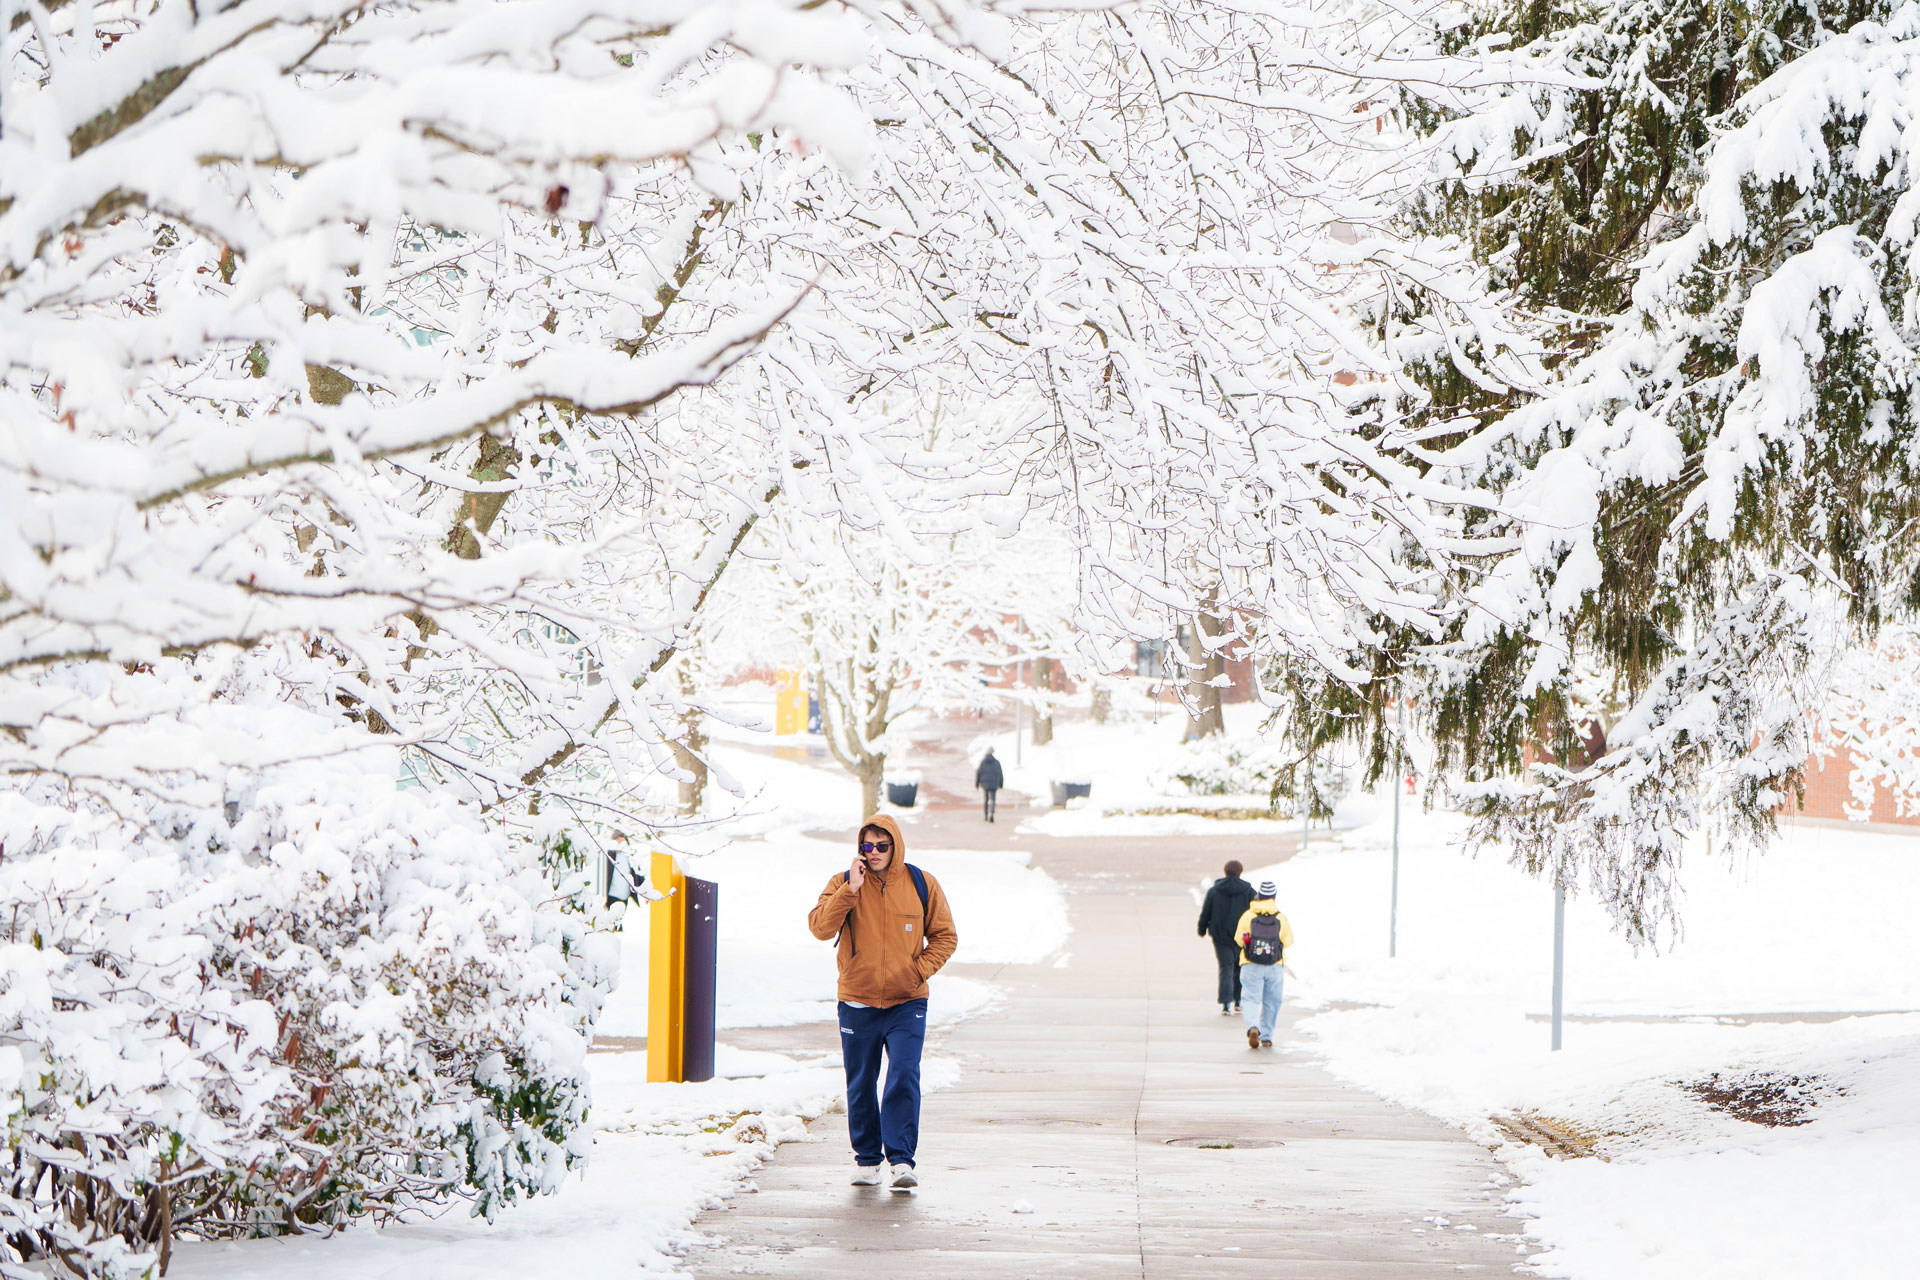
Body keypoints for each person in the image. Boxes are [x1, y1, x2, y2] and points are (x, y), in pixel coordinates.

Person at [807, 814, 959, 1190]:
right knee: (860, 1083)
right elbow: (819, 928)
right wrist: (851, 890)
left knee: (904, 1073)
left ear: (896, 846)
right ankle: (868, 1160)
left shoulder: (922, 884)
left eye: (881, 846)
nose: (873, 853)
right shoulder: (843, 883)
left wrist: (917, 971)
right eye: (867, 846)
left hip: (907, 1000)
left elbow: (945, 937)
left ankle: (902, 1160)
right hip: (857, 1001)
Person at [1233, 880, 1294, 1049]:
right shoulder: (1280, 917)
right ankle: (1267, 1037)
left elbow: (1238, 939)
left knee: (1251, 998)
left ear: (1259, 896)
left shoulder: (1248, 916)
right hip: (1274, 965)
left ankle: (1253, 1027)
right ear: (1274, 897)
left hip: (1250, 963)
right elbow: (1288, 941)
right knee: (1272, 1001)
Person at [1196, 859, 1255, 1014]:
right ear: (1240, 872)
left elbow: (1206, 912)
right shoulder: (1249, 891)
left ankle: (1226, 1005)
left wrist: (1202, 929)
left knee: (1225, 968)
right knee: (1240, 968)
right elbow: (1255, 914)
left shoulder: (1214, 891)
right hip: (1242, 937)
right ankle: (1238, 1001)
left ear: (1225, 871)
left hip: (1220, 937)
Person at [975, 745, 1004, 822]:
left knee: (986, 799)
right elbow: (1000, 773)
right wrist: (1001, 783)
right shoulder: (996, 762)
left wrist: (977, 783)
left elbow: (979, 773)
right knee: (993, 799)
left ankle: (986, 814)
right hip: (994, 783)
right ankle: (991, 813)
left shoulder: (983, 762)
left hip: (985, 783)